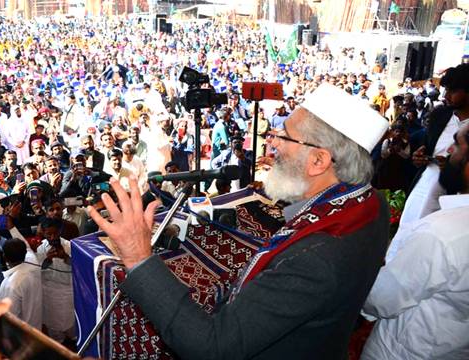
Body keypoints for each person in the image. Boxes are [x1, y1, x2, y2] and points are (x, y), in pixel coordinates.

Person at [87, 84, 390, 359]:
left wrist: (140, 258)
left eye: (283, 136)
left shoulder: (314, 261)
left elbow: (213, 346)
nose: (272, 144)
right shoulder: (369, 202)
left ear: (319, 161)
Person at [362, 123, 469, 359]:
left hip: (407, 350)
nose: (449, 151)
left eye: (458, 146)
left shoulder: (442, 234)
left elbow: (382, 299)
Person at [399, 63, 469, 225]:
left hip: (453, 198)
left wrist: (451, 168)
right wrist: (418, 157)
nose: (446, 96)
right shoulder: (440, 115)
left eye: (452, 91)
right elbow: (426, 147)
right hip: (423, 186)